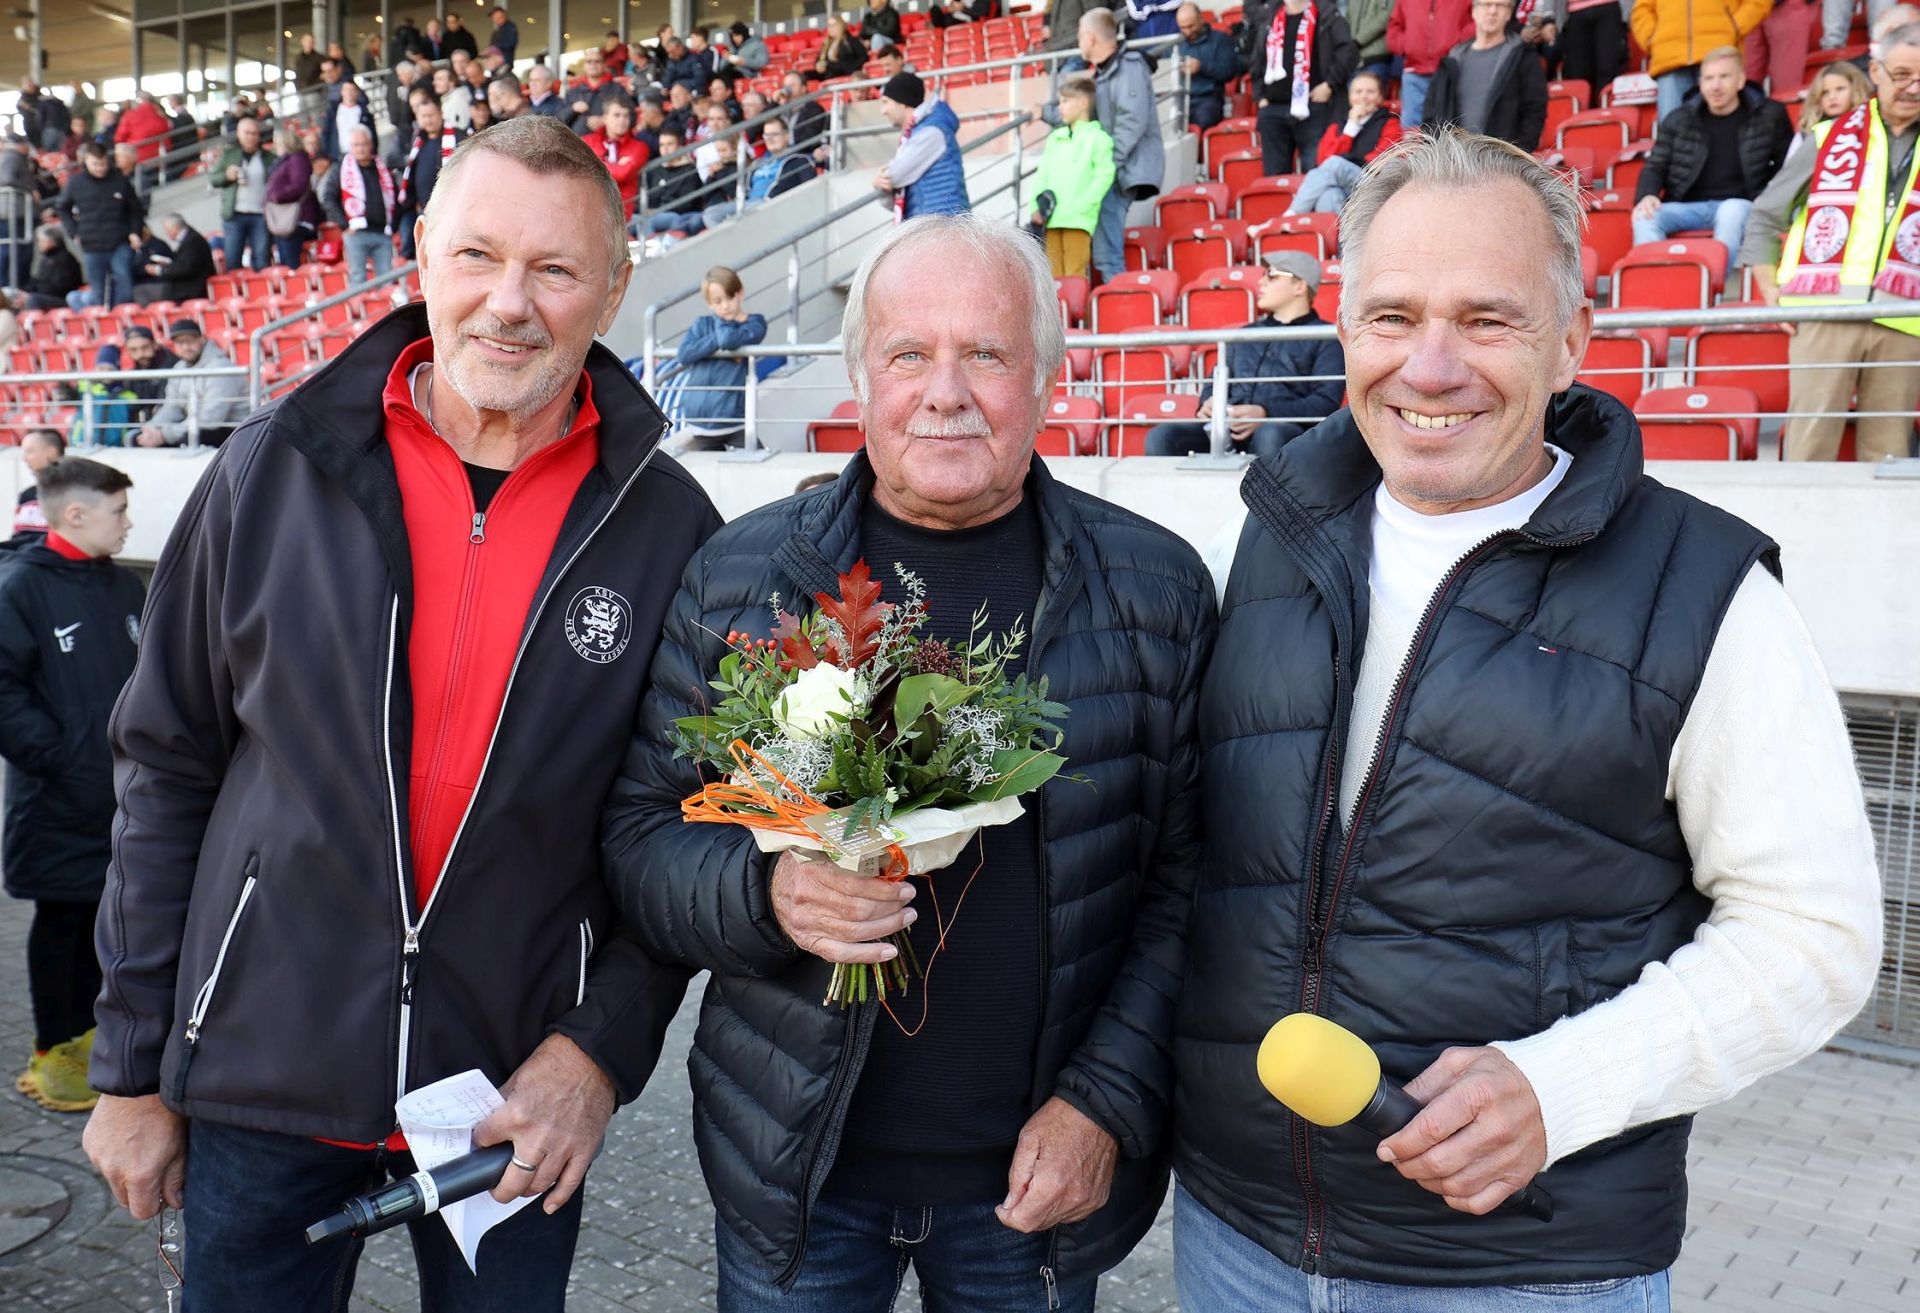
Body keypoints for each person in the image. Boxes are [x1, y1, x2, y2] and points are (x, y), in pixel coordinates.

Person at [1176, 128, 1881, 1310]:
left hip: (1523, 1269)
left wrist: (1565, 1086)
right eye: (1393, 316)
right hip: (1234, 1238)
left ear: (1572, 343)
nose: (1430, 365)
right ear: (1344, 329)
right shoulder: (1263, 536)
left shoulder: (1707, 591)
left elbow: (1816, 933)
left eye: (1487, 320)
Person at [81, 115, 715, 1312]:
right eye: (478, 255)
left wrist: (596, 1051)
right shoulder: (270, 469)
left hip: (517, 1099)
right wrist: (128, 1067)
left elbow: (686, 833)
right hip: (261, 1071)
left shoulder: (670, 527)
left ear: (616, 287)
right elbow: (164, 766)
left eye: (555, 268)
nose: (508, 303)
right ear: (421, 251)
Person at [602, 211, 1214, 1313]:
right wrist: (768, 891)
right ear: (860, 379)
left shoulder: (1158, 591)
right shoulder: (738, 577)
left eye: (987, 353)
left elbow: (1193, 885)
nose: (946, 392)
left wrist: (1105, 1102)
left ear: (1046, 379)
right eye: (909, 354)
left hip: (1031, 1187)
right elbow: (644, 837)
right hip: (794, 1175)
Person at [0, 457, 143, 1115]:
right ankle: (53, 1050)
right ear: (76, 514)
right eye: (119, 511)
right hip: (57, 800)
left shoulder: (123, 587)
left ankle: (92, 1039)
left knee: (104, 919)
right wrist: (62, 757)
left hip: (122, 797)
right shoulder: (21, 587)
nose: (128, 523)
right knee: (61, 921)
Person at [1739, 23, 1920, 461]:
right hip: (1826, 314)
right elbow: (1765, 215)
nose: (1913, 88)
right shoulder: (1826, 137)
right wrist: (1769, 288)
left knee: (1889, 456)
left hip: (1906, 322)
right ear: (1875, 71)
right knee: (1809, 447)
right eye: (1901, 75)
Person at [1145, 250, 1344, 457]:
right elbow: (1214, 383)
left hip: (1287, 434)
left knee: (1270, 435)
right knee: (1162, 436)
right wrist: (1209, 403)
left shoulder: (1326, 338)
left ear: (1299, 286)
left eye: (1271, 275)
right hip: (1229, 429)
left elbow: (1325, 403)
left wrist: (1266, 413)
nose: (1261, 282)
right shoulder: (1243, 335)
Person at [1631, 47, 1792, 252]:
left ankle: (1717, 273)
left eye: (1724, 77)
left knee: (1731, 211)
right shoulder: (1679, 119)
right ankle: (1655, 272)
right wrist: (1647, 195)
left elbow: (1787, 165)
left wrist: (1766, 199)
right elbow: (1655, 165)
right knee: (1644, 216)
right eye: (1709, 78)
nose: (1716, 86)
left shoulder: (1769, 115)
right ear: (1700, 83)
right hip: (1687, 206)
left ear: (1740, 80)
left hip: (1742, 204)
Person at [1074, 9, 1167, 281]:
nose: (1078, 43)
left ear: (1091, 38)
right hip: (1116, 168)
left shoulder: (1129, 67)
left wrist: (1107, 164)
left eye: (1080, 36)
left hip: (1120, 169)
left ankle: (1121, 300)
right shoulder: (1105, 72)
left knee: (1107, 254)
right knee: (1105, 251)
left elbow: (1131, 122)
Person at [653, 265, 768, 450]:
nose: (725, 306)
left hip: (732, 419)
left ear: (740, 293)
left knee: (759, 459)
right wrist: (716, 339)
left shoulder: (755, 323)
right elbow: (684, 355)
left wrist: (715, 335)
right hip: (700, 421)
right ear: (710, 304)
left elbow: (727, 339)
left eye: (730, 297)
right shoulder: (702, 324)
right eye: (717, 301)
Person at [1423, 0, 1551, 151]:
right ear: (1474, 11)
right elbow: (1431, 111)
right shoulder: (1451, 60)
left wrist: (1519, 153)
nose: (1492, 11)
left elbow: (1535, 109)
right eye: (1486, 4)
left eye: (1500, 5)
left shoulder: (1523, 57)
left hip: (1501, 159)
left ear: (1509, 13)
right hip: (1453, 160)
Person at [1252, 0, 1358, 175]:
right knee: (1275, 178)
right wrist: (1260, 97)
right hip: (1273, 110)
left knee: (1317, 174)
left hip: (1313, 108)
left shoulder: (1327, 14)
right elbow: (1257, 59)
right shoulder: (1270, 16)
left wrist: (1330, 84)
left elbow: (1348, 52)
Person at [1029, 73, 1115, 278]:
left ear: (1083, 103)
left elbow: (1104, 176)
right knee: (1053, 279)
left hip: (1078, 221)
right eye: (1060, 101)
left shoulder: (1099, 138)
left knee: (1075, 277)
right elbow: (1043, 175)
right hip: (1052, 219)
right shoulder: (1055, 138)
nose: (1060, 107)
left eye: (1066, 101)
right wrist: (1035, 206)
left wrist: (1084, 206)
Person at [1632, 0, 1772, 119]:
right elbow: (1641, 10)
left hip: (1719, 58)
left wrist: (1734, 27)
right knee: (1672, 133)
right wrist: (1652, 39)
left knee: (1724, 130)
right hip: (1670, 61)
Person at [1287, 69, 1402, 212]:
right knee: (1328, 195)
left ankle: (1292, 214)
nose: (1364, 97)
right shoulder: (1337, 126)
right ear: (1350, 97)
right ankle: (1334, 228)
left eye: (1370, 92)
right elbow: (1323, 161)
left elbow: (1383, 159)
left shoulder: (1390, 123)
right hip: (1345, 185)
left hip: (1373, 183)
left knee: (1336, 165)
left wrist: (1348, 161)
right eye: (1358, 92)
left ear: (1380, 97)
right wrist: (1351, 128)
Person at [131, 319, 248, 448]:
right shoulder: (179, 367)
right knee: (139, 438)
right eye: (180, 343)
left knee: (187, 437)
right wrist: (152, 427)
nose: (186, 347)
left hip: (235, 430)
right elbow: (172, 407)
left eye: (190, 341)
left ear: (202, 340)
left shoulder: (221, 368)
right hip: (200, 426)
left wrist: (164, 435)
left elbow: (211, 418)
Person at [54, 142, 142, 308]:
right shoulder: (75, 183)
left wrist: (134, 232)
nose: (100, 168)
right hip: (92, 245)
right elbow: (62, 207)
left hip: (119, 241)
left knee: (124, 283)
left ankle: (122, 315)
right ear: (86, 161)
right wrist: (73, 232)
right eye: (96, 164)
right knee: (98, 293)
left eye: (103, 164)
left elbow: (135, 209)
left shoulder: (120, 180)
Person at [874, 72, 970, 219]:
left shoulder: (931, 132)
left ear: (902, 102)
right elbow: (893, 197)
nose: (883, 111)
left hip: (943, 222)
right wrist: (880, 185)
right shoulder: (918, 132)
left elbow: (893, 176)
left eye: (886, 102)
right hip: (934, 221)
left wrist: (878, 180)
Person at [700, 115, 817, 228]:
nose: (770, 139)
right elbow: (741, 189)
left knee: (742, 215)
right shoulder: (758, 163)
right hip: (748, 202)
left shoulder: (799, 160)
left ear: (786, 136)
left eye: (774, 134)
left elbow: (812, 188)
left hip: (771, 204)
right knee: (711, 214)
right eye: (767, 135)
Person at [395, 88, 470, 260]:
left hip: (452, 209)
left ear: (440, 113)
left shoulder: (458, 138)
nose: (428, 120)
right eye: (424, 116)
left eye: (431, 115)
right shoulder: (419, 141)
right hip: (424, 210)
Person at [320, 126, 399, 287]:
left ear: (371, 144)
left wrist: (393, 224)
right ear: (351, 147)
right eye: (356, 145)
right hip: (356, 234)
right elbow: (328, 198)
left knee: (387, 282)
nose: (361, 148)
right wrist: (344, 225)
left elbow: (395, 196)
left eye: (364, 144)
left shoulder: (382, 168)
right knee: (358, 281)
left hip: (382, 233)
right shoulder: (341, 169)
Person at [1387, 0, 1473, 129]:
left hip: (1449, 70)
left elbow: (1475, 21)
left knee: (1447, 126)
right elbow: (1394, 26)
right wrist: (1408, 46)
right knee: (1411, 130)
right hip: (1414, 71)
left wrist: (1457, 43)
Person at [211, 116, 274, 274]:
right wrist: (227, 176)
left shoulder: (269, 157)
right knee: (232, 260)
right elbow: (213, 179)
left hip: (261, 214)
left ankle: (261, 288)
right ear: (239, 134)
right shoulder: (228, 155)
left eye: (254, 133)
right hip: (234, 214)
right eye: (247, 133)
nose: (251, 137)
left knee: (262, 260)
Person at [1787, 58, 1873, 158]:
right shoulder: (1806, 133)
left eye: (1840, 89)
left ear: (1856, 89)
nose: (1832, 97)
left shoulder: (1873, 123)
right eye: (1825, 92)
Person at [1178, 3, 1245, 129]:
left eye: (1191, 26)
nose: (1188, 31)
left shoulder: (1220, 40)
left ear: (1201, 19)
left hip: (1208, 99)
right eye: (1183, 28)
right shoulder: (1176, 45)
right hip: (1180, 100)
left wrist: (1201, 67)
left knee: (1203, 118)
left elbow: (1229, 72)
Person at [264, 124, 321, 268]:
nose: (275, 146)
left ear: (287, 142)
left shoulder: (297, 159)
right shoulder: (285, 161)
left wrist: (277, 195)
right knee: (285, 261)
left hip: (298, 218)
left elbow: (299, 185)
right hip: (286, 219)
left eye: (278, 142)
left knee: (290, 263)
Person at [584, 100, 652, 219]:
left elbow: (623, 174)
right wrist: (617, 166)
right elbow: (580, 171)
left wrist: (594, 163)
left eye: (626, 116)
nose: (622, 120)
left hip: (620, 213)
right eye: (617, 115)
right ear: (605, 118)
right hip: (588, 208)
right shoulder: (586, 141)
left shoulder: (640, 147)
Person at [634, 128, 706, 239]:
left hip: (676, 215)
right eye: (662, 145)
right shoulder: (654, 169)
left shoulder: (689, 171)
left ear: (679, 146)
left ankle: (651, 246)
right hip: (650, 214)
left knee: (645, 222)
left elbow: (686, 205)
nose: (665, 149)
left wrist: (655, 211)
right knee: (627, 220)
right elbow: (641, 198)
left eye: (670, 144)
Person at [133, 212, 212, 305]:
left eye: (167, 230)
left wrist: (160, 270)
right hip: (183, 285)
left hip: (189, 288)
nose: (166, 233)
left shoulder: (193, 241)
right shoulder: (191, 239)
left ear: (175, 228)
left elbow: (185, 268)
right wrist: (167, 264)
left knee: (139, 291)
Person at [6, 427, 62, 547]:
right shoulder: (27, 495)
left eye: (29, 451)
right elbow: (16, 538)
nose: (24, 458)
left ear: (51, 453)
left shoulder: (74, 493)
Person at [19, 222, 82, 310]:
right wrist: (24, 292)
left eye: (40, 240)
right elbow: (36, 280)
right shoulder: (46, 258)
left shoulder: (65, 259)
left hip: (62, 299)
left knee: (33, 299)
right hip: (44, 295)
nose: (39, 244)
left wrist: (31, 294)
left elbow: (58, 287)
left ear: (50, 241)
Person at [323, 78, 372, 161]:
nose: (349, 93)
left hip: (360, 155)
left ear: (357, 92)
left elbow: (371, 134)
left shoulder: (364, 112)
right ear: (341, 92)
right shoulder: (333, 111)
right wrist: (326, 154)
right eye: (346, 90)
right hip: (338, 155)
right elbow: (326, 132)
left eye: (352, 90)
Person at [814, 15, 870, 81]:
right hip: (827, 73)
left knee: (831, 70)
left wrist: (853, 69)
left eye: (833, 25)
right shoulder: (826, 44)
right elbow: (819, 59)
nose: (830, 28)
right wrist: (818, 65)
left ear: (841, 26)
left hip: (844, 71)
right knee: (806, 74)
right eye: (829, 26)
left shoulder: (851, 41)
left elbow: (863, 57)